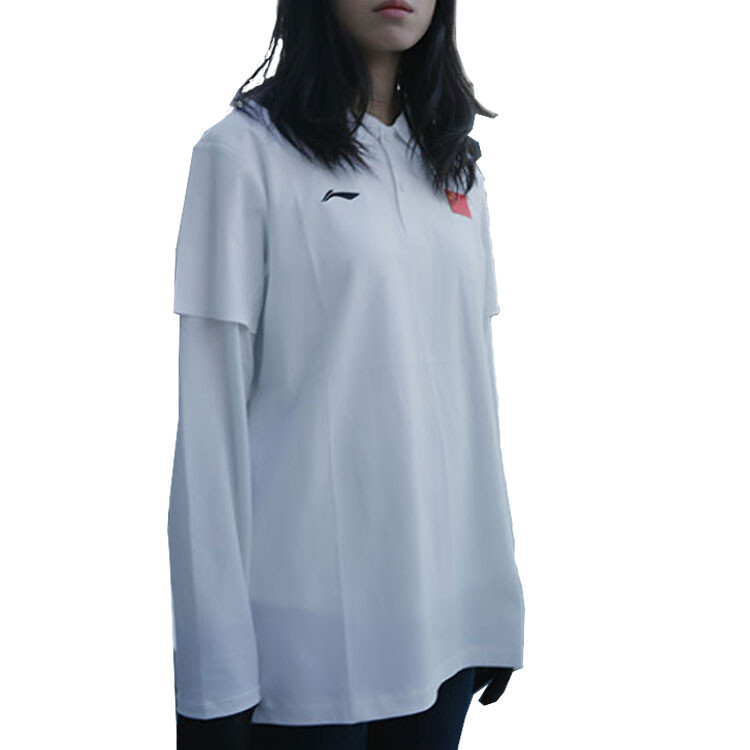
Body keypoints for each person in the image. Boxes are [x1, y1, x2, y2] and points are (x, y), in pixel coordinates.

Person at [167, 1, 525, 747]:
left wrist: (495, 599)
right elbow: (208, 426)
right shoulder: (243, 153)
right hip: (306, 645)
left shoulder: (456, 167)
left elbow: (471, 393)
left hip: (447, 627)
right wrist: (211, 677)